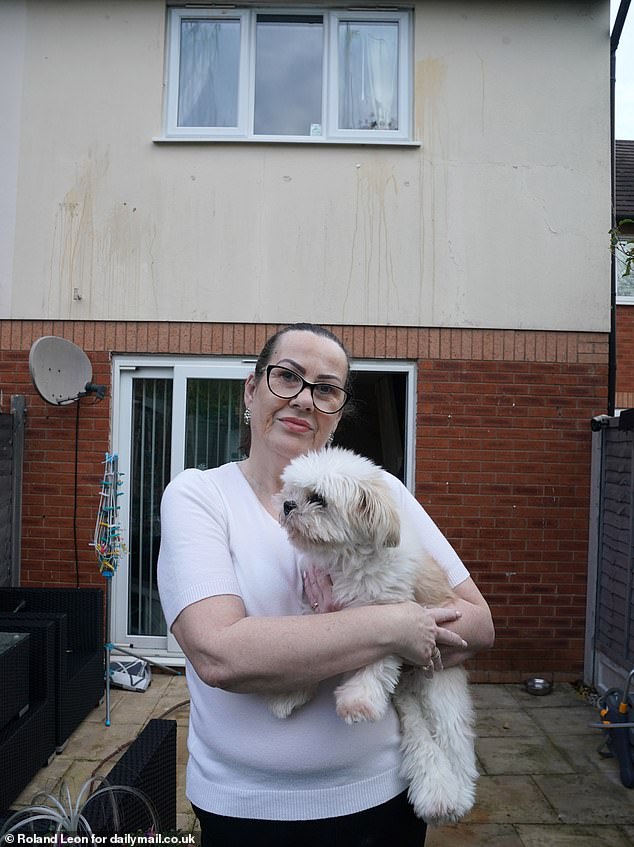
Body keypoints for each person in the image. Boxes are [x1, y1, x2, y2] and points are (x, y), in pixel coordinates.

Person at [157, 323, 494, 847]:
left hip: (384, 799)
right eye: (286, 376)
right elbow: (221, 654)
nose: (304, 399)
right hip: (249, 809)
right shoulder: (200, 496)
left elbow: (477, 623)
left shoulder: (383, 493)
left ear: (337, 411)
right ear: (251, 389)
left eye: (326, 388)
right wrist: (394, 625)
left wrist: (388, 641)